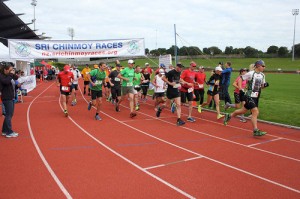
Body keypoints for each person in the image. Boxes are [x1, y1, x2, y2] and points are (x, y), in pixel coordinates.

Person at [224, 60, 269, 136]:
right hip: (249, 95)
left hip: (256, 96)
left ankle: (229, 115)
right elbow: (240, 79)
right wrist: (241, 89)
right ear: (258, 66)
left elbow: (261, 87)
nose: (264, 67)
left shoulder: (262, 75)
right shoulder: (251, 73)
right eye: (263, 66)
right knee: (255, 111)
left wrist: (264, 85)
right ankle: (255, 130)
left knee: (243, 110)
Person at [0, 63, 19, 138]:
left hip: (11, 97)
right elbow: (6, 82)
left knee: (9, 114)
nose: (11, 71)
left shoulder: (8, 76)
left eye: (12, 70)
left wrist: (13, 73)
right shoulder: (1, 76)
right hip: (6, 97)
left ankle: (4, 130)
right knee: (9, 114)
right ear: (5, 69)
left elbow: (16, 77)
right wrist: (11, 75)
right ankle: (9, 132)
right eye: (10, 70)